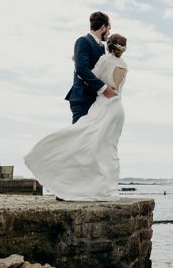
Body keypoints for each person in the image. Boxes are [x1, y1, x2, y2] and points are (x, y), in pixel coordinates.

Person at [25, 34, 129, 201]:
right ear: (123, 50)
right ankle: (105, 189)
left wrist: (76, 61)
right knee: (108, 148)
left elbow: (89, 75)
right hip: (118, 109)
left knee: (82, 140)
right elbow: (116, 87)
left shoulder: (104, 60)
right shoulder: (124, 65)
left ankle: (70, 179)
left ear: (109, 45)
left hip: (104, 105)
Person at [66, 11, 117, 124]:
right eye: (109, 29)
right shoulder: (83, 41)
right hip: (82, 98)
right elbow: (81, 69)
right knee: (78, 137)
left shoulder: (101, 47)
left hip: (94, 100)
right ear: (103, 27)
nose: (109, 33)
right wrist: (104, 88)